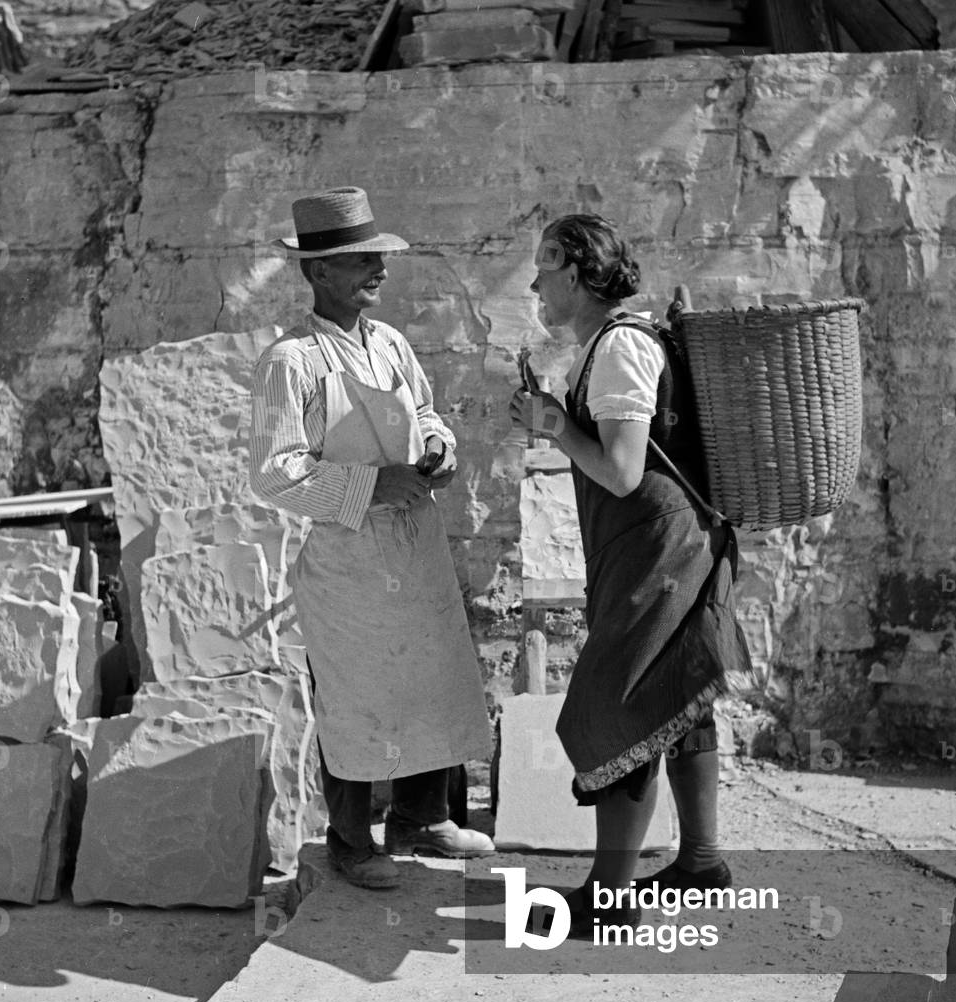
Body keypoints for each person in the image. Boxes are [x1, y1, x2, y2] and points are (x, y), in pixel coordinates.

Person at [508, 214, 754, 936]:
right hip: (659, 544)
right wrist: (554, 416)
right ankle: (701, 863)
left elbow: (619, 470)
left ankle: (609, 898)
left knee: (621, 706)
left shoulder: (618, 349)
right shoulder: (607, 346)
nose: (534, 283)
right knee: (676, 695)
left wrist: (556, 423)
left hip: (659, 548)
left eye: (545, 267)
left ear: (580, 274)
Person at [250, 186, 494, 890]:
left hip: (412, 544)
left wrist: (438, 447)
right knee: (354, 697)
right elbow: (274, 474)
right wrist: (368, 486)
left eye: (377, 257)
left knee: (427, 675)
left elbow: (424, 410)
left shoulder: (388, 343)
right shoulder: (289, 362)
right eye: (362, 260)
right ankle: (351, 839)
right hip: (348, 558)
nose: (378, 271)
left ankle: (422, 815)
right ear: (319, 272)